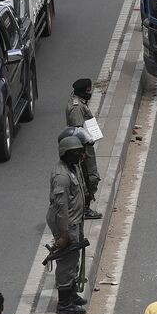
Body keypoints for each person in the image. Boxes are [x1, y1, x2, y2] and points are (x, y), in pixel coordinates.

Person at [47, 135, 87, 314]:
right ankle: (64, 303)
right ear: (66, 153)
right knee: (67, 260)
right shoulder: (62, 176)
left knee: (74, 257)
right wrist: (64, 235)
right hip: (66, 223)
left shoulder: (72, 166)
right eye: (78, 152)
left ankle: (71, 294)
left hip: (74, 220)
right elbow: (61, 207)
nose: (81, 155)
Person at [66, 78, 103, 220]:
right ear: (82, 91)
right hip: (83, 149)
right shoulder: (77, 107)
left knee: (87, 178)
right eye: (88, 90)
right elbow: (78, 129)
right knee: (90, 178)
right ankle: (85, 209)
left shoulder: (78, 101)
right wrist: (85, 146)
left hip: (84, 147)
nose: (90, 92)